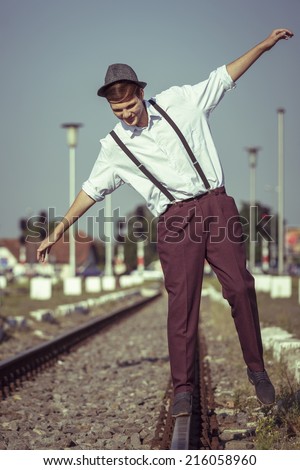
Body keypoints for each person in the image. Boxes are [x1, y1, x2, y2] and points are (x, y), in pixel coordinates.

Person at [37, 29, 294, 417]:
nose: (126, 115)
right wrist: (59, 229)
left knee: (240, 287)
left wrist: (263, 45)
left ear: (141, 92)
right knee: (182, 305)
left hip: (217, 205)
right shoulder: (114, 147)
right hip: (174, 221)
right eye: (117, 111)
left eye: (130, 106)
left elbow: (224, 77)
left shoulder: (181, 101)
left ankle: (257, 370)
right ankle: (184, 390)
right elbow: (92, 190)